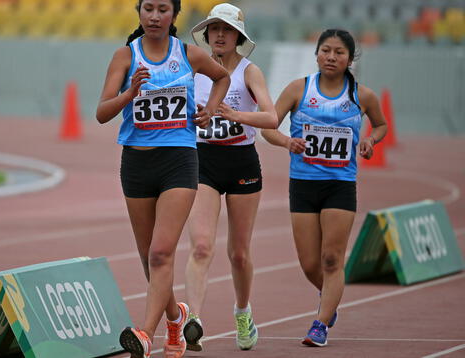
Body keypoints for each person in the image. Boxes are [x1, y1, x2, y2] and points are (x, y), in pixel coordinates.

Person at [95, 0, 230, 357]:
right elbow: (101, 113)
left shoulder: (189, 54)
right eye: (148, 9)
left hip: (179, 161)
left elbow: (223, 77)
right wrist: (129, 93)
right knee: (149, 259)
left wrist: (212, 109)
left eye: (162, 10)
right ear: (139, 13)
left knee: (160, 253)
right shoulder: (125, 57)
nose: (154, 17)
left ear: (174, 16)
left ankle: (145, 334)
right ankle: (176, 317)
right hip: (137, 165)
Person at [261, 29, 387, 347]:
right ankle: (329, 296)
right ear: (316, 54)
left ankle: (321, 323)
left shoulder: (362, 95)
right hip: (303, 184)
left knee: (332, 259)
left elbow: (382, 123)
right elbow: (268, 127)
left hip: (340, 186)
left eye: (339, 52)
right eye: (326, 50)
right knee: (309, 263)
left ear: (350, 59)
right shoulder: (298, 89)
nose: (331, 57)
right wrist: (288, 141)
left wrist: (371, 139)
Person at [181, 3, 278, 352]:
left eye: (227, 30)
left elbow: (272, 118)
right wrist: (195, 119)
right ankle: (193, 319)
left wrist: (235, 114)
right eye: (214, 29)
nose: (219, 35)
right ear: (206, 34)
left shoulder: (250, 72)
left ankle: (242, 312)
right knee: (202, 245)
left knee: (238, 253)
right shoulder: (192, 69)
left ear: (238, 36)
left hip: (241, 163)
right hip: (202, 160)